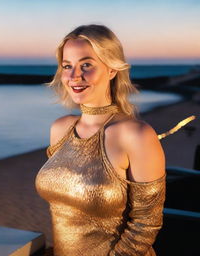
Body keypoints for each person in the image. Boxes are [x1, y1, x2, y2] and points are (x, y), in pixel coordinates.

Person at [35, 24, 166, 256]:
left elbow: (146, 225)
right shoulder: (60, 129)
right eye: (67, 66)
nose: (74, 76)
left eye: (86, 65)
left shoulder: (136, 135)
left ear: (112, 69)